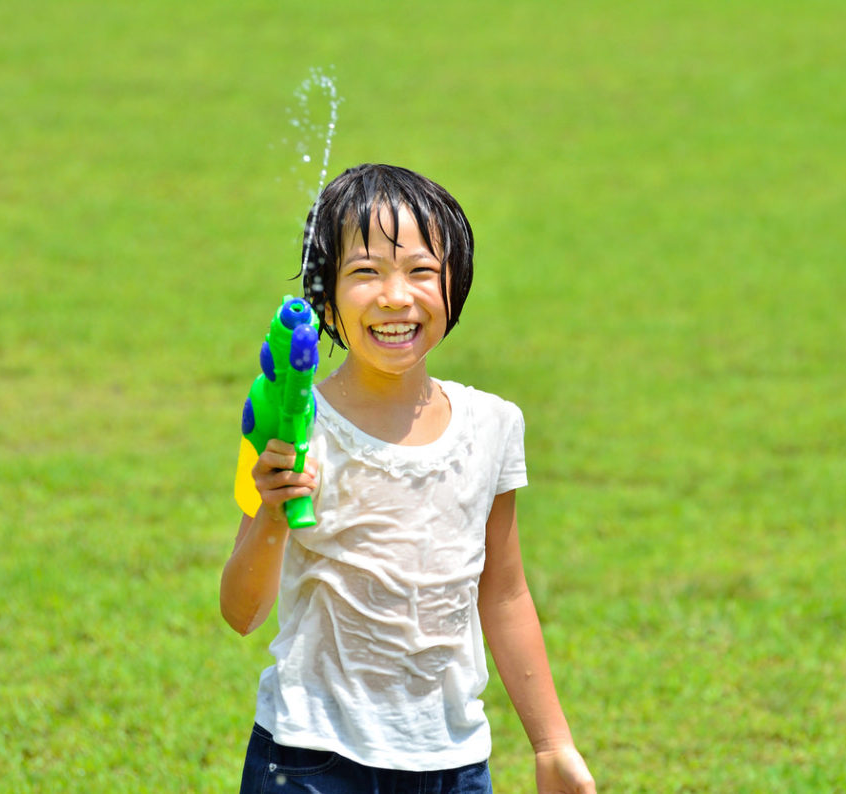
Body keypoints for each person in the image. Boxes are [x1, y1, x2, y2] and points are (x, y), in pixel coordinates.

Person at [221, 163, 596, 794]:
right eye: (365, 272)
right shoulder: (291, 424)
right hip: (312, 758)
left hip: (451, 762)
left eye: (421, 271)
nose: (396, 296)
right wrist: (270, 511)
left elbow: (503, 594)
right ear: (326, 295)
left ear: (457, 285)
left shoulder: (493, 425)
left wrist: (553, 742)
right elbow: (241, 611)